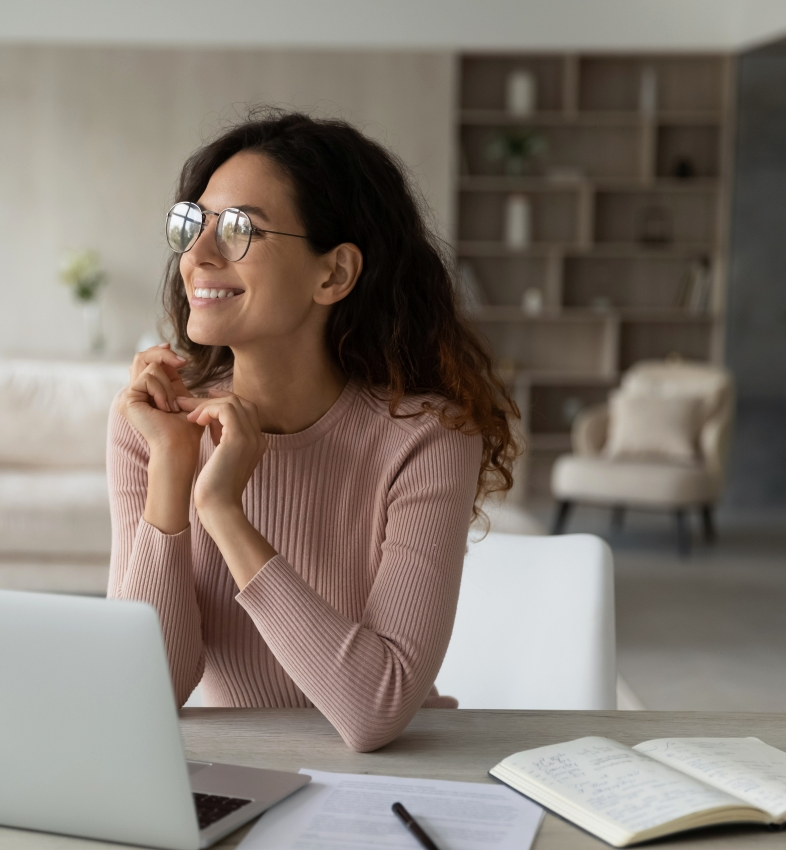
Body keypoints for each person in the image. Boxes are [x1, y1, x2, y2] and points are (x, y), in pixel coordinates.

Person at [107, 110, 518, 752]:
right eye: (196, 225)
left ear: (334, 274)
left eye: (240, 228)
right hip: (233, 771)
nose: (199, 255)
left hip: (391, 779)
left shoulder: (427, 437)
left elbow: (373, 711)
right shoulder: (153, 427)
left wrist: (221, 509)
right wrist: (171, 474)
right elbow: (141, 693)